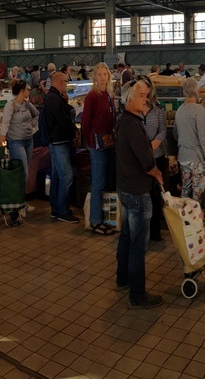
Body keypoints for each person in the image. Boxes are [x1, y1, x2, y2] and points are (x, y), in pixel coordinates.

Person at [115, 79, 166, 308]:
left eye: (147, 95)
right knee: (138, 244)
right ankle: (137, 295)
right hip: (137, 192)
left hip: (126, 188)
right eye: (142, 96)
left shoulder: (125, 121)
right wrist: (157, 174)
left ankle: (123, 278)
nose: (146, 100)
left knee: (127, 235)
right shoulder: (133, 125)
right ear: (130, 99)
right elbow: (146, 162)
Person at [81, 63, 117, 234]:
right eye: (100, 74)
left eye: (105, 74)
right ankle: (95, 220)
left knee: (107, 180)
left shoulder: (109, 95)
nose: (102, 77)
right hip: (97, 144)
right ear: (95, 77)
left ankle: (107, 217)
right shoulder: (92, 96)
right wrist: (90, 143)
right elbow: (85, 122)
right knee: (98, 182)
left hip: (109, 142)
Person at [0, 79, 39, 215]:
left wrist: (32, 128)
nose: (29, 91)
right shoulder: (11, 105)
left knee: (24, 173)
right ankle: (19, 204)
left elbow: (36, 115)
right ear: (22, 91)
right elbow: (5, 122)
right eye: (27, 89)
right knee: (23, 173)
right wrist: (3, 135)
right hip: (16, 142)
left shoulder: (27, 104)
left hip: (29, 141)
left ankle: (22, 202)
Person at [43, 72, 79, 223]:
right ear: (59, 82)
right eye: (66, 82)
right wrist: (73, 133)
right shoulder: (54, 99)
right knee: (67, 176)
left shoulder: (53, 98)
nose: (67, 84)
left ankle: (55, 208)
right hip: (59, 142)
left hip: (56, 141)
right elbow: (63, 121)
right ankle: (62, 210)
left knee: (57, 175)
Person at [173, 78, 205, 201]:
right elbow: (204, 137)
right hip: (197, 158)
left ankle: (185, 213)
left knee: (185, 192)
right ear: (196, 90)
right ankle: (196, 214)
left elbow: (175, 133)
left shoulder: (179, 110)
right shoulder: (199, 110)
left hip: (183, 158)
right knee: (197, 195)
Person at [140, 78, 167, 242]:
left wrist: (155, 142)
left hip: (157, 156)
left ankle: (155, 231)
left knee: (155, 195)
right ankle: (142, 230)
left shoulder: (158, 109)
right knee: (142, 195)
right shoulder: (134, 109)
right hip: (140, 158)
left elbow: (163, 131)